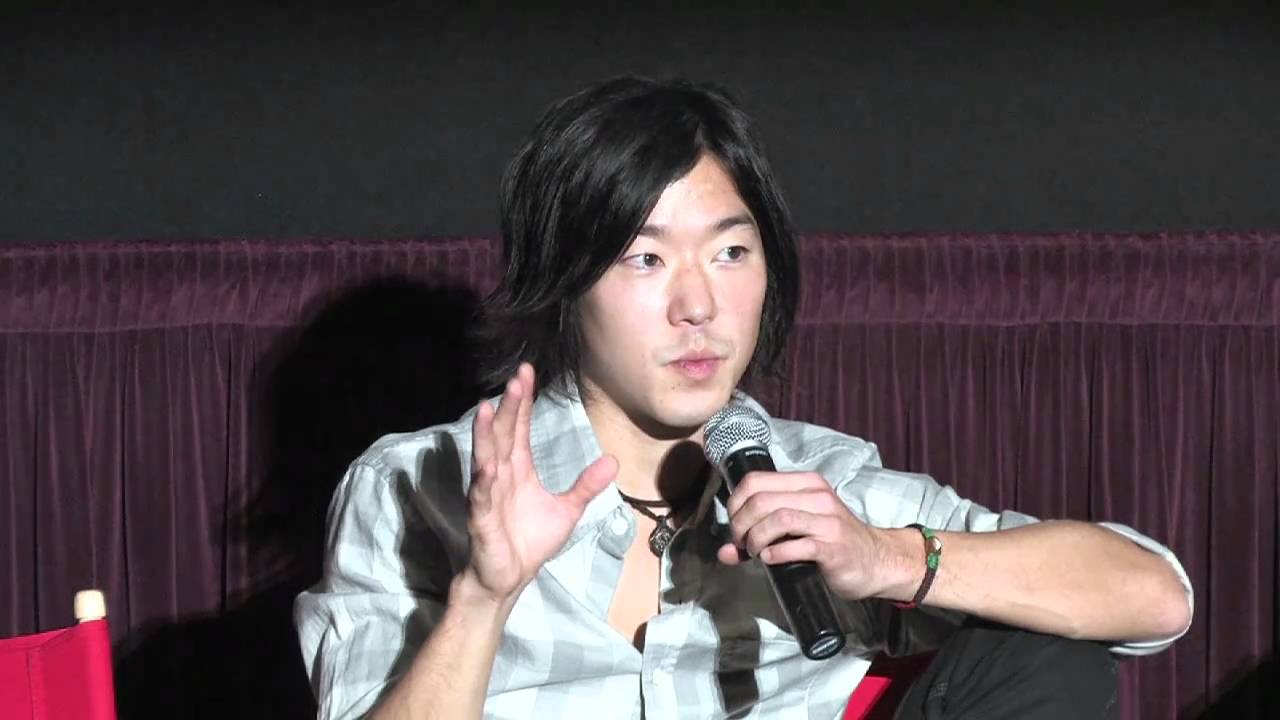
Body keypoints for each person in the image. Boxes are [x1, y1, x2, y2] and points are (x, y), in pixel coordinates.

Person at [294, 76, 1193, 720]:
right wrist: (485, 597)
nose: (699, 305)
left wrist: (882, 557)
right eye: (644, 259)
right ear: (565, 286)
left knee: (1045, 655)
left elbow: (1156, 596)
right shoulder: (417, 483)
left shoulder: (819, 483)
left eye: (730, 252)